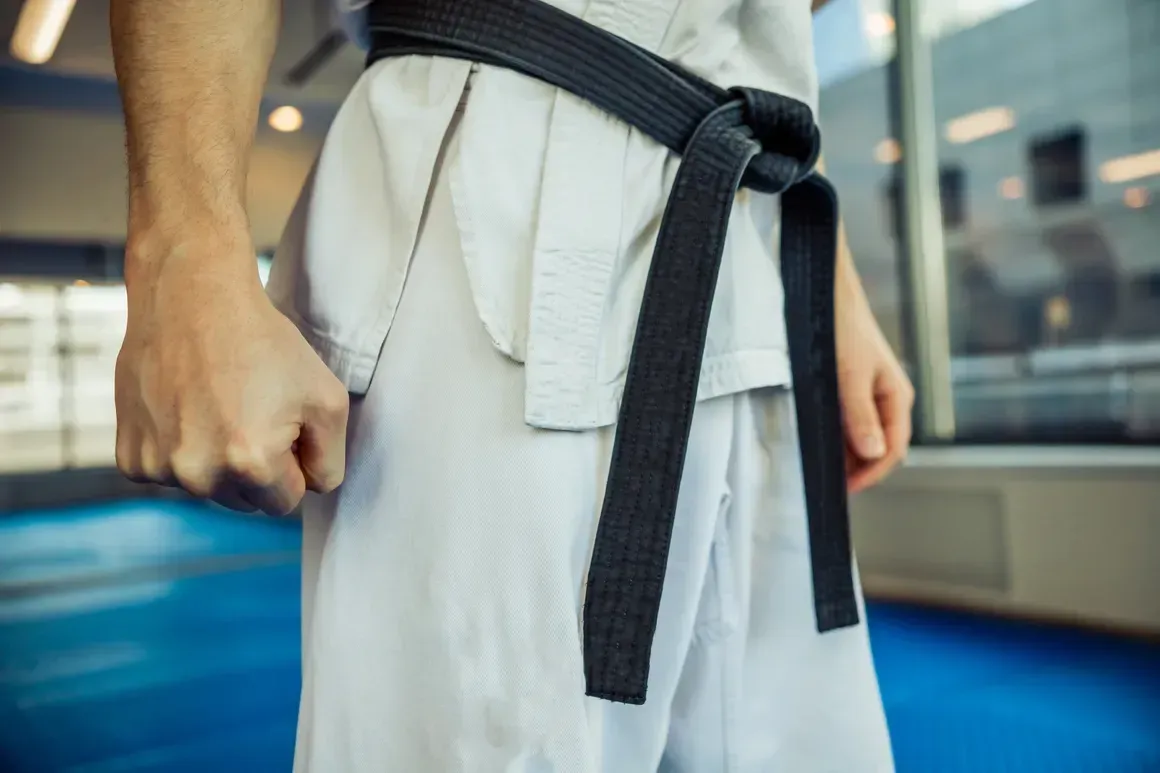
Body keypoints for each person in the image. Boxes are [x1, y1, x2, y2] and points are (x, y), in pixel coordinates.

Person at [109, 0, 913, 770]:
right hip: (506, 181)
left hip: (749, 240)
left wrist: (834, 295)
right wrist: (183, 258)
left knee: (797, 745)